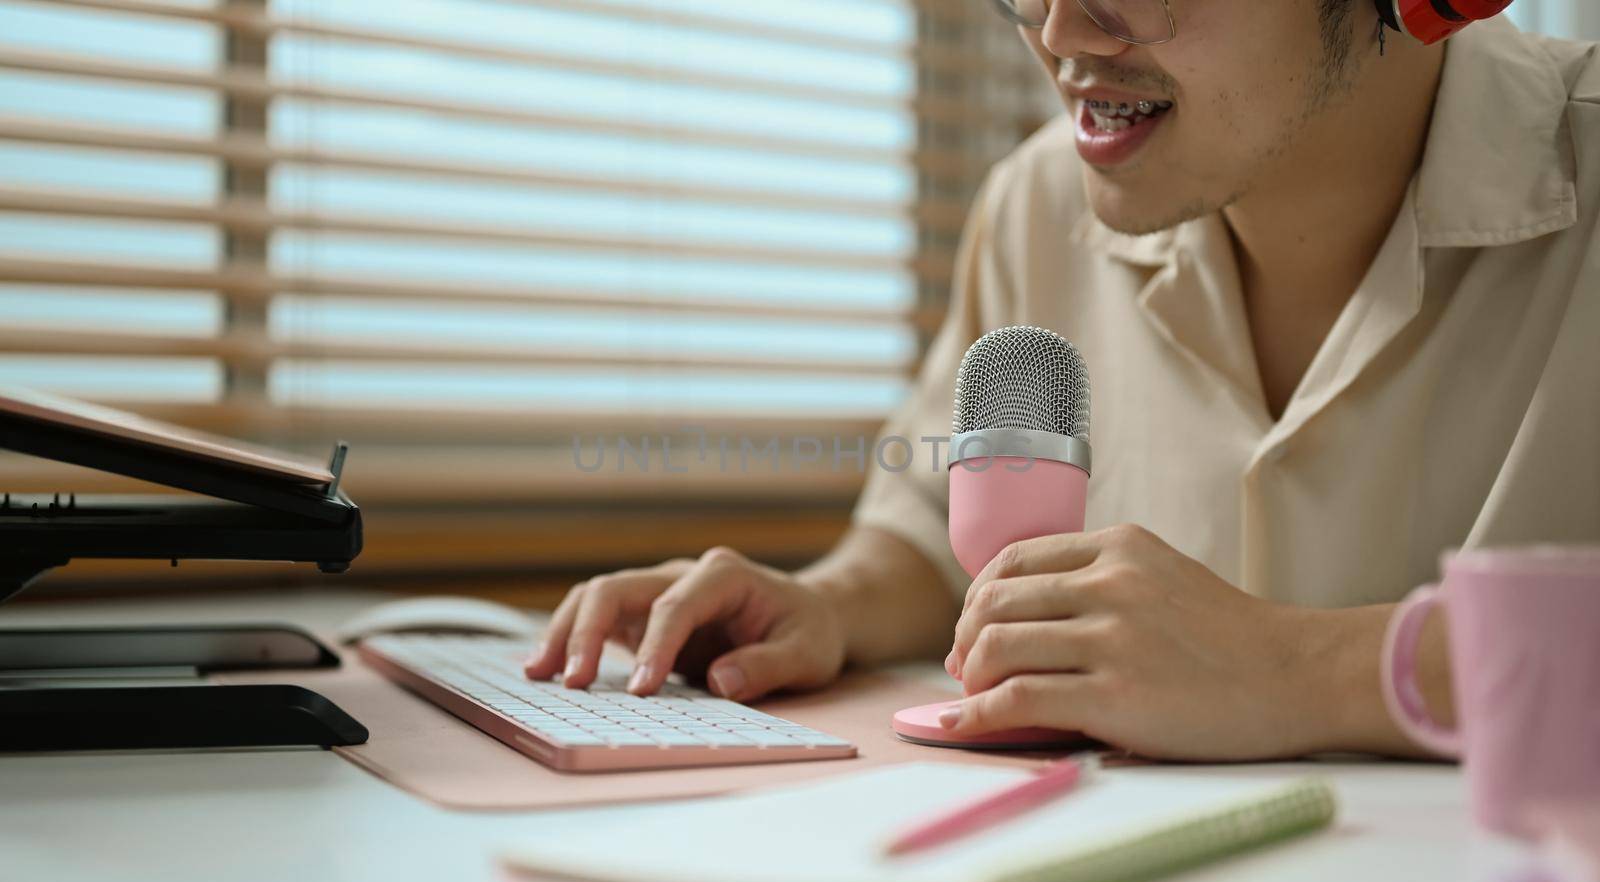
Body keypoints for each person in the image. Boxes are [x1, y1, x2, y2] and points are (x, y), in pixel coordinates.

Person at [526, 0, 1599, 761]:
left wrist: (1296, 668)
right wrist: (829, 604)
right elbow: (927, 536)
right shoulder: (1040, 199)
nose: (1057, 33)